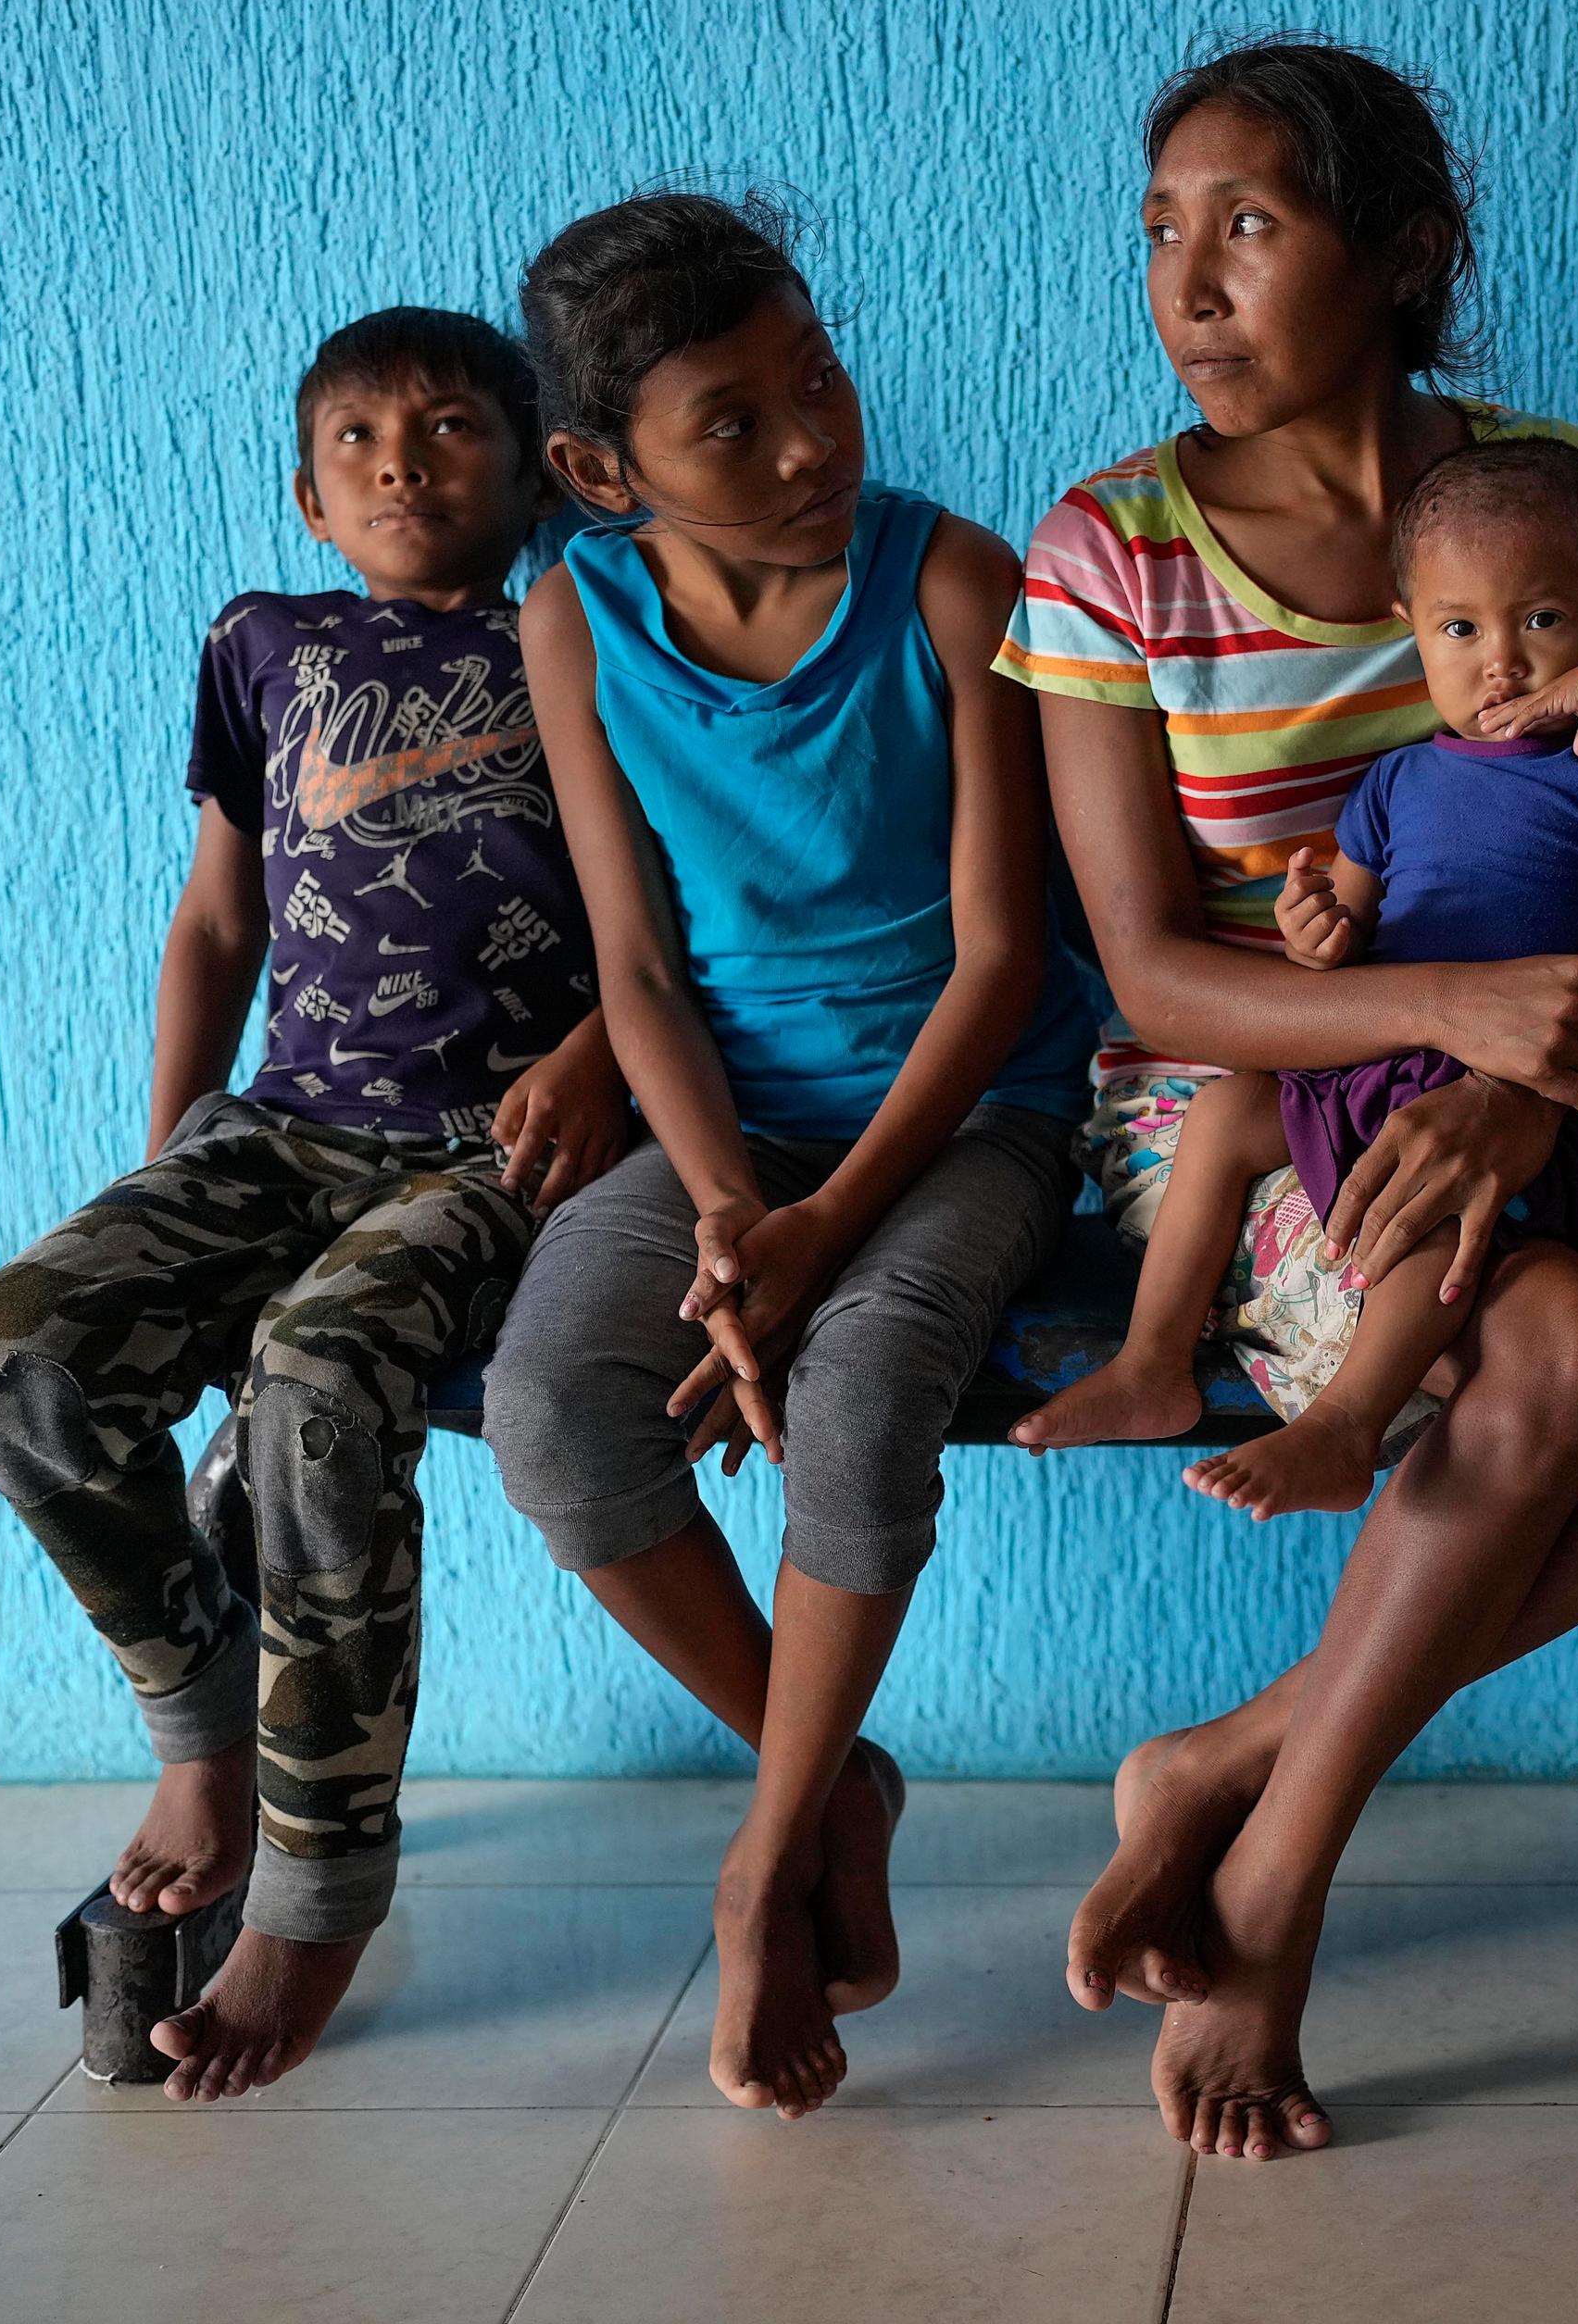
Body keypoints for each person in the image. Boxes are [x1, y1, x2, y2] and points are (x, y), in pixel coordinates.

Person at [1006, 36, 1578, 2159]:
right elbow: (1152, 968)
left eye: (1248, 224)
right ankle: (1276, 1891)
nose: (1188, 280)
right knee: (1563, 1341)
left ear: (1405, 254)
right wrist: (1448, 1013)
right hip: (1248, 1105)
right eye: (1162, 230)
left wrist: (1536, 1081)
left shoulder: (1559, 492)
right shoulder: (1109, 548)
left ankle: (1223, 1762)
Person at [0, 308, 627, 2098]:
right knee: (10, 1355)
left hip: (499, 1153)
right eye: (358, 441)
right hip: (284, 1128)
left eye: (451, 426)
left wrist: (602, 1055)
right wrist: (169, 1156)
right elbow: (219, 921)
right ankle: (202, 1731)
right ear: (312, 500)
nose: (403, 463)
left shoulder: (596, 635)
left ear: (538, 470)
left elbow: (685, 918)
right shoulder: (266, 645)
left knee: (317, 1380)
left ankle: (319, 1894)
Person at [482, 191, 1094, 2119]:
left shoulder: (953, 585)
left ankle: (762, 1864)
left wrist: (829, 1225)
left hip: (970, 1111)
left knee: (862, 1389)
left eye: (815, 381)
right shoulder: (574, 619)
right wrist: (738, 1209)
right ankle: (832, 1778)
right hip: (723, 1122)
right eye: (732, 425)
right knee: (550, 1408)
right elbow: (642, 968)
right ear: (602, 471)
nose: (813, 441)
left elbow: (1003, 962)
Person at [1021, 437, 1578, 1519]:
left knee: (1427, 1212)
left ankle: (1344, 1426)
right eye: (1461, 630)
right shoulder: (1398, 780)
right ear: (1411, 628)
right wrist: (1316, 931)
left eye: (1544, 621)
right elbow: (1346, 936)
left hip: (1539, 1088)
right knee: (1225, 1116)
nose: (1502, 662)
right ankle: (1152, 1362)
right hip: (1392, 1058)